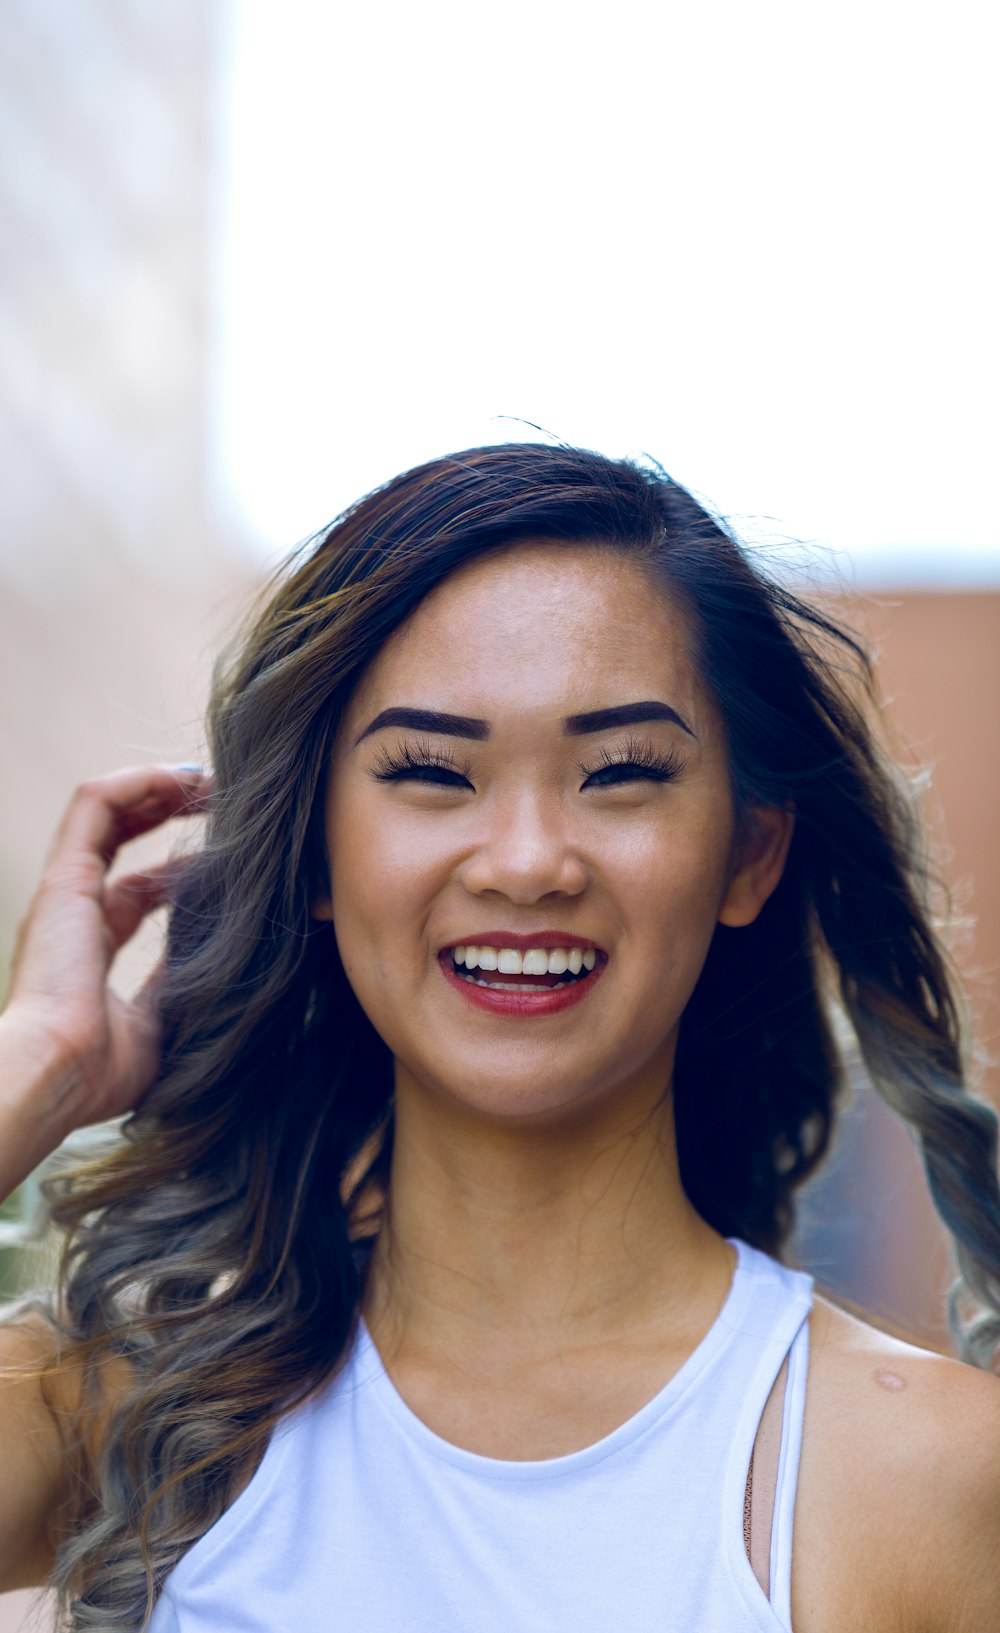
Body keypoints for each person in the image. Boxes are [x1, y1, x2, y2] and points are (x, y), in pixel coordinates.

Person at [1, 442, 998, 1633]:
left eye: (620, 772)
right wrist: (39, 1062)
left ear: (747, 853)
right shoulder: (124, 1413)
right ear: (315, 855)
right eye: (431, 771)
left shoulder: (927, 1472)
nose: (526, 861)